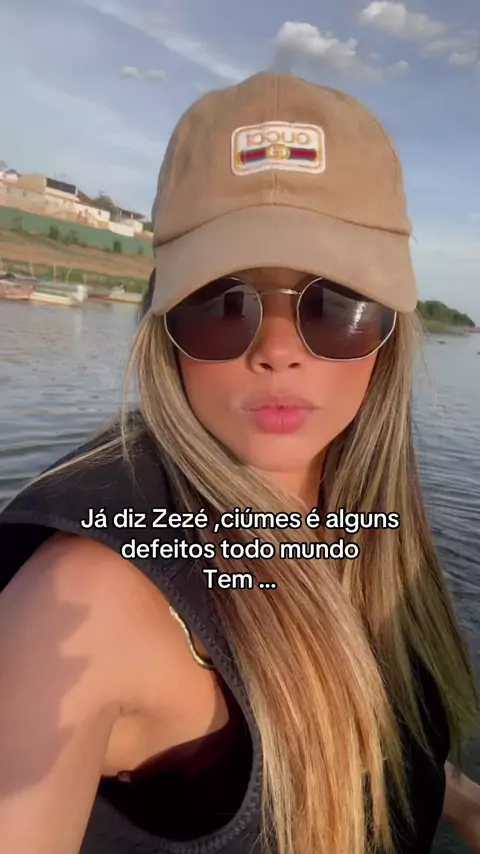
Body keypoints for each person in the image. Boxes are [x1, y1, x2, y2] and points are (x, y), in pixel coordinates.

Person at [0, 71, 478, 854]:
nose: (279, 350)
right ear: (163, 323)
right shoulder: (82, 602)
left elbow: (356, 722)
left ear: (390, 327)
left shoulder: (359, 516)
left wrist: (452, 798)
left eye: (336, 303)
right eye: (222, 302)